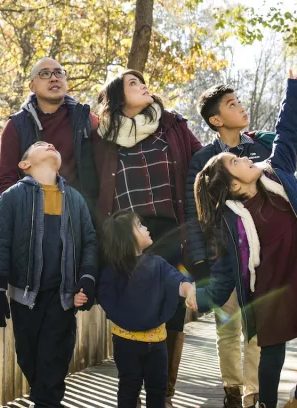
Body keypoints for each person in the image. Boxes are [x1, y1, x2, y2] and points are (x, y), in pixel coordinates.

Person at [192, 71, 297, 408]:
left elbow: (288, 132)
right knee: (270, 363)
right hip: (269, 290)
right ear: (233, 185)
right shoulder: (231, 219)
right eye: (237, 161)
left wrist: (296, 88)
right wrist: (203, 294)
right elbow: (225, 262)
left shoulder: (279, 173)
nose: (247, 157)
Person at [93, 69, 202, 406]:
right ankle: (130, 391)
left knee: (171, 308)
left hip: (170, 229)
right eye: (133, 83)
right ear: (115, 96)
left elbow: (203, 162)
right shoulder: (101, 136)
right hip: (129, 234)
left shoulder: (171, 124)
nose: (143, 86)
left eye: (143, 82)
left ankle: (164, 392)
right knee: (131, 304)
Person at [0, 140, 98, 408]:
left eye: (53, 145)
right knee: (27, 354)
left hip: (63, 294)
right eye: (40, 144)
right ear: (25, 164)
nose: (50, 144)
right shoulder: (13, 197)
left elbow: (90, 241)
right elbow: (1, 242)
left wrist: (87, 279)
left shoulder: (74, 199)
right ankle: (44, 397)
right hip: (25, 295)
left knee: (56, 352)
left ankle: (47, 401)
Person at [185, 85, 274, 408]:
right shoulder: (203, 159)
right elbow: (192, 212)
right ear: (216, 119)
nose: (241, 107)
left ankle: (254, 392)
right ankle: (232, 390)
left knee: (256, 329)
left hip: (260, 254)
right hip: (221, 256)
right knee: (227, 327)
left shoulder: (261, 150)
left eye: (239, 101)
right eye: (232, 104)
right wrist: (199, 262)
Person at [97, 211, 196, 408]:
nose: (146, 228)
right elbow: (102, 292)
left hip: (157, 343)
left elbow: (177, 280)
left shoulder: (157, 264)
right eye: (140, 226)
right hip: (126, 344)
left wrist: (189, 290)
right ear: (128, 237)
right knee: (128, 388)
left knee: (157, 389)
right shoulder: (114, 271)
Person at [0, 57, 99, 221]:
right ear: (32, 86)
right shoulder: (16, 126)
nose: (54, 78)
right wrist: (25, 218)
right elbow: (6, 181)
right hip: (35, 219)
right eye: (44, 74)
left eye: (59, 73)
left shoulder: (86, 119)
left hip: (82, 218)